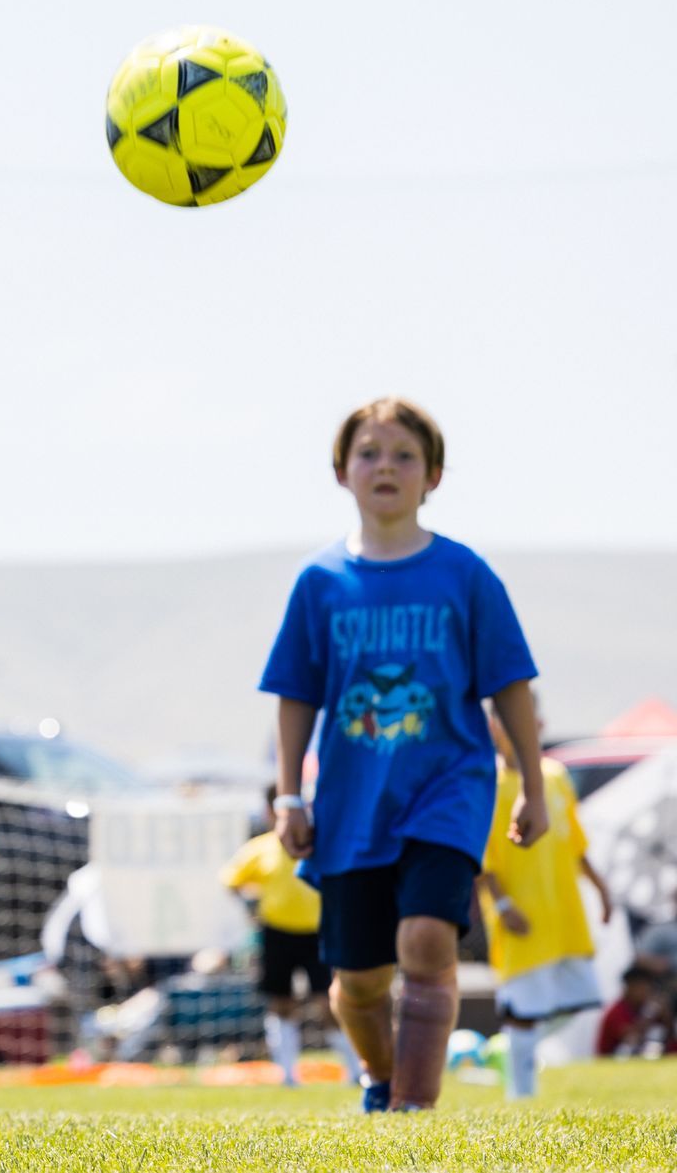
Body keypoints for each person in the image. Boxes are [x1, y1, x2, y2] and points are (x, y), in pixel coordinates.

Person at [260, 397, 547, 1113]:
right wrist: (289, 794)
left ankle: (412, 1114)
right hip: (352, 802)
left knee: (425, 939)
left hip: (448, 786)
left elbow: (511, 685)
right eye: (368, 453)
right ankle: (382, 1077)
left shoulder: (465, 574)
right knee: (356, 983)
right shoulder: (319, 583)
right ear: (340, 471)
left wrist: (532, 787)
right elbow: (296, 695)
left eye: (404, 455)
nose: (385, 466)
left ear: (434, 475)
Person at [475, 691, 611, 1098]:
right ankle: (521, 1093)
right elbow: (483, 856)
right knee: (525, 1007)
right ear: (494, 727)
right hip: (520, 915)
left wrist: (602, 889)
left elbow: (574, 841)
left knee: (582, 997)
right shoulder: (489, 783)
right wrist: (501, 903)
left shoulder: (553, 775)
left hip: (561, 911)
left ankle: (507, 1048)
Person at [220, 785, 358, 1086]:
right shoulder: (260, 847)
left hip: (319, 933)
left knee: (329, 1002)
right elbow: (231, 881)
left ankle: (355, 1071)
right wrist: (251, 908)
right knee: (281, 1002)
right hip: (277, 933)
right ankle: (286, 1074)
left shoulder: (321, 844)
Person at [596, 965, 672, 1057]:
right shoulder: (616, 1011)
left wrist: (665, 1016)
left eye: (648, 988)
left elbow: (669, 1036)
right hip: (612, 1063)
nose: (645, 992)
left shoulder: (642, 1006)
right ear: (629, 987)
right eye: (641, 988)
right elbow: (631, 1037)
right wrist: (650, 1013)